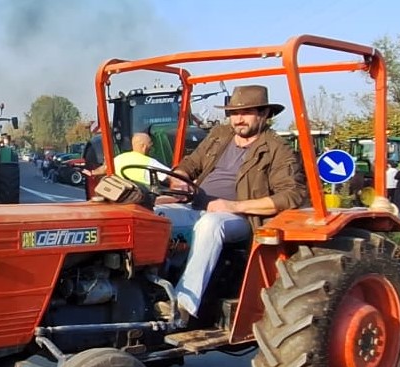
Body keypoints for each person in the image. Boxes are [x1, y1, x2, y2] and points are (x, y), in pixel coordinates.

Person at [156, 84, 306, 325]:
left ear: (264, 114)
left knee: (211, 224)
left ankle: (182, 306)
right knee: (154, 217)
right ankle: (147, 294)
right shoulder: (219, 136)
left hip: (241, 219)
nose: (239, 119)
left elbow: (291, 196)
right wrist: (180, 181)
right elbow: (189, 164)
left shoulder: (278, 149)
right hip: (197, 207)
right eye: (234, 113)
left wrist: (233, 206)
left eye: (246, 112)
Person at [86, 132, 168, 184]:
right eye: (150, 144)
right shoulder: (149, 162)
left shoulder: (118, 159)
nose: (152, 147)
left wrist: (93, 172)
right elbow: (172, 177)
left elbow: (104, 168)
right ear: (144, 147)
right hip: (145, 199)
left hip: (125, 197)